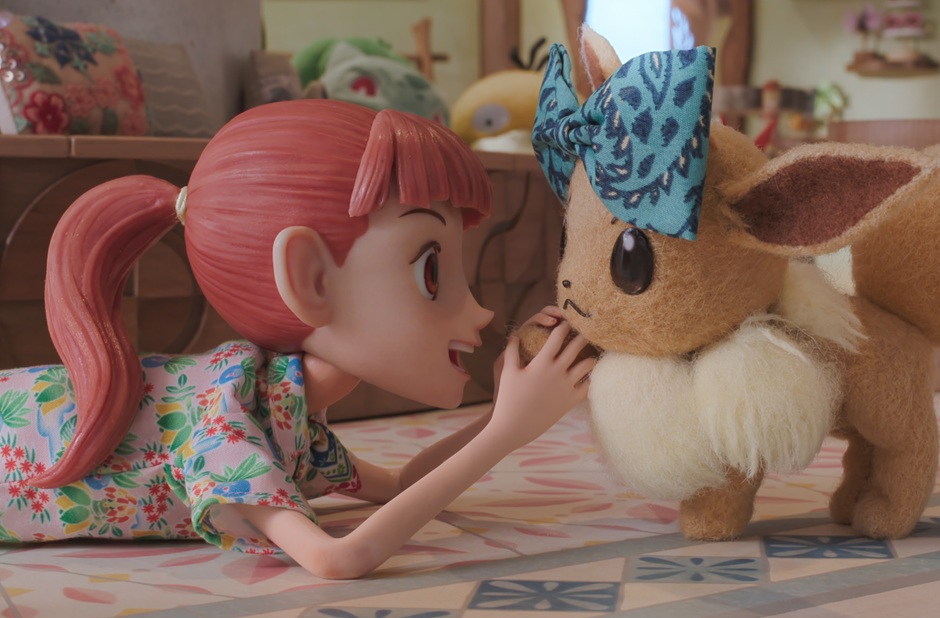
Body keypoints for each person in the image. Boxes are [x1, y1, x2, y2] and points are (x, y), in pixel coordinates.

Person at [0, 99, 594, 579]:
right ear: (312, 280)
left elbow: (400, 487)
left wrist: (503, 417)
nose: (480, 311)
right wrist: (506, 431)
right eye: (432, 272)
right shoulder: (224, 424)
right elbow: (338, 559)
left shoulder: (281, 412)